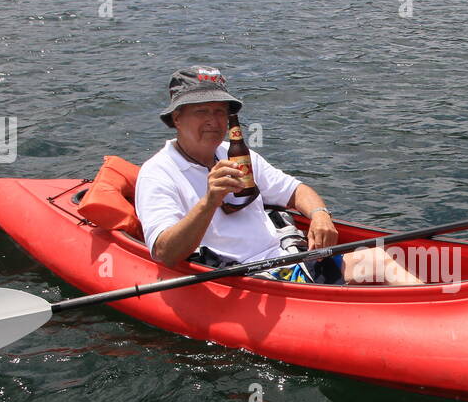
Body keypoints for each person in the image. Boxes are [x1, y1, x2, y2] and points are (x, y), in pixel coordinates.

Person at [135, 65, 422, 285]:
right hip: (244, 279)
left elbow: (297, 191)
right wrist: (210, 200)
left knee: (377, 258)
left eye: (221, 112)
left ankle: (433, 311)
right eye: (202, 112)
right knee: (368, 269)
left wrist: (320, 214)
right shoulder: (158, 173)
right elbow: (165, 253)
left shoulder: (238, 155)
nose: (214, 121)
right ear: (177, 118)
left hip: (288, 259)